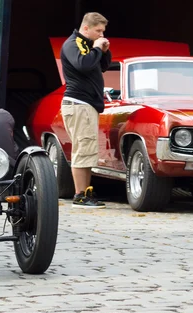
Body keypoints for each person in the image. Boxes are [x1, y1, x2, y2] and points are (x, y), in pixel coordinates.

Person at [60, 12, 111, 208]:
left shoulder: (89, 46)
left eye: (103, 32)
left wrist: (104, 51)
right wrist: (97, 49)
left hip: (86, 106)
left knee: (88, 150)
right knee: (83, 150)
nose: (101, 35)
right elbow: (83, 65)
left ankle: (86, 192)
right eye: (98, 31)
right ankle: (80, 195)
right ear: (86, 28)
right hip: (78, 104)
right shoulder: (73, 44)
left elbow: (101, 67)